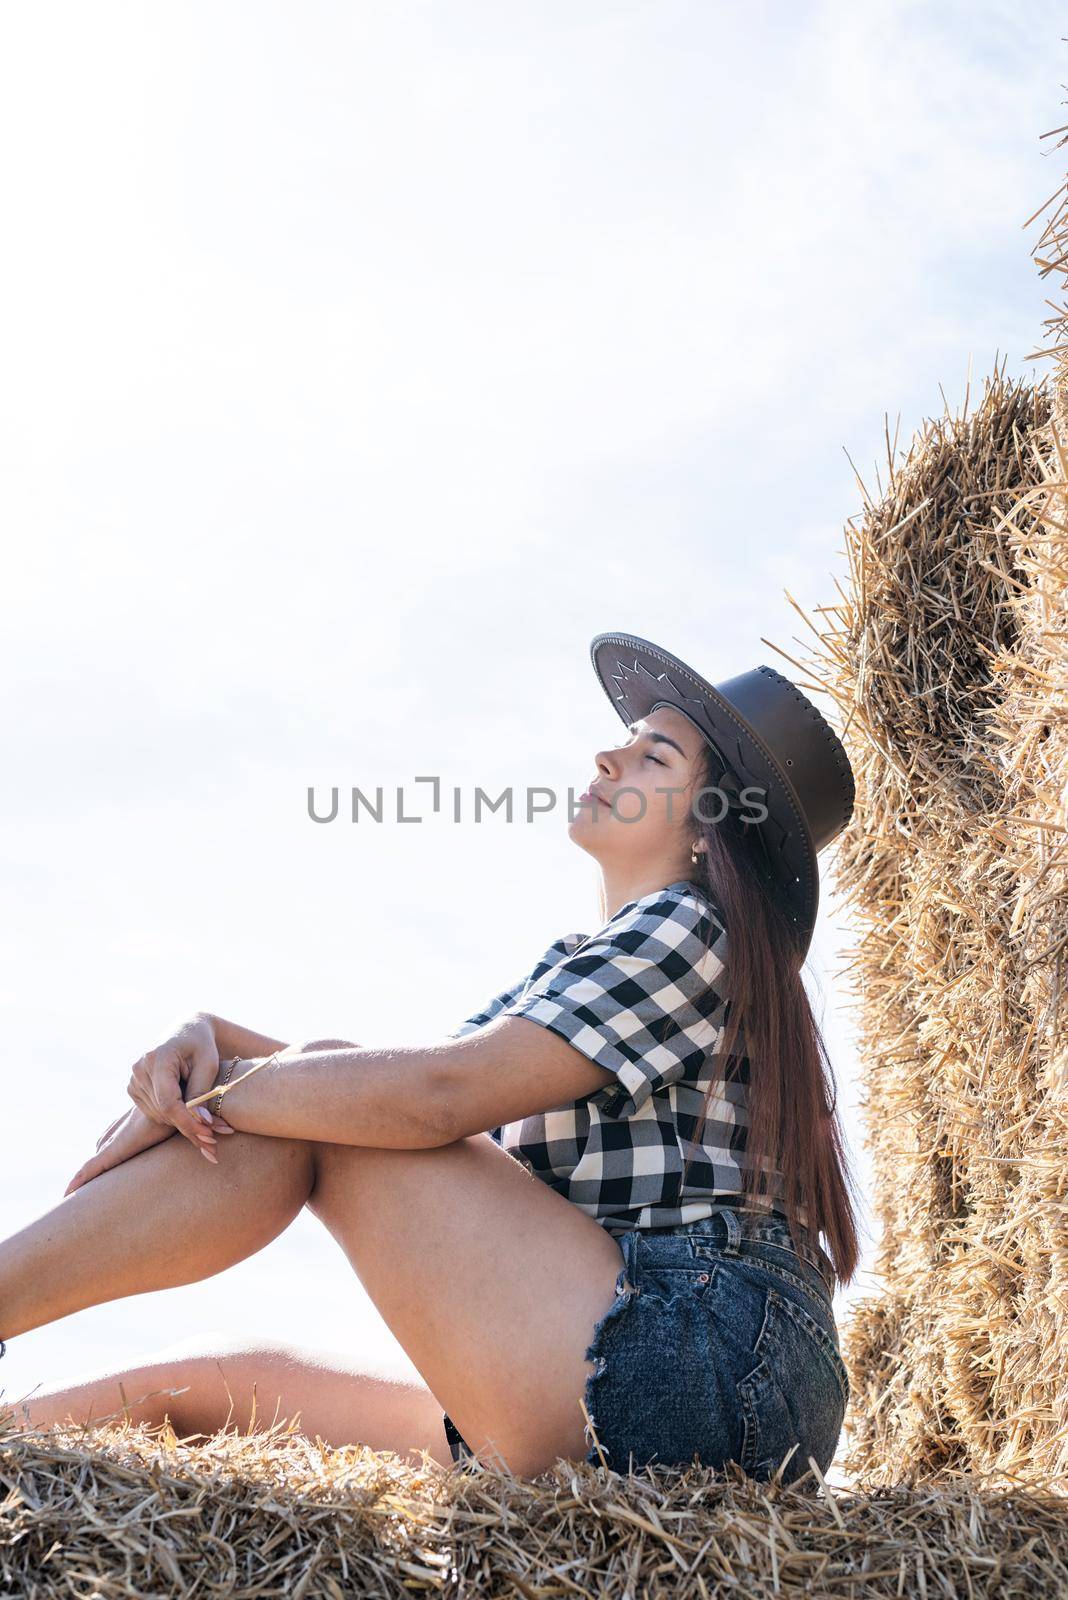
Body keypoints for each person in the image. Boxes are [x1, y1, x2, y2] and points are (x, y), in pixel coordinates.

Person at [0, 631, 860, 1483]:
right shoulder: (583, 966)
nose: (606, 757)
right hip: (648, 1372)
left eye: (652, 757)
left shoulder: (691, 924)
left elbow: (428, 1099)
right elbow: (397, 1086)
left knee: (318, 1105)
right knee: (197, 1385)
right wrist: (217, 1039)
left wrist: (217, 1092)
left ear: (716, 832)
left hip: (704, 1364)